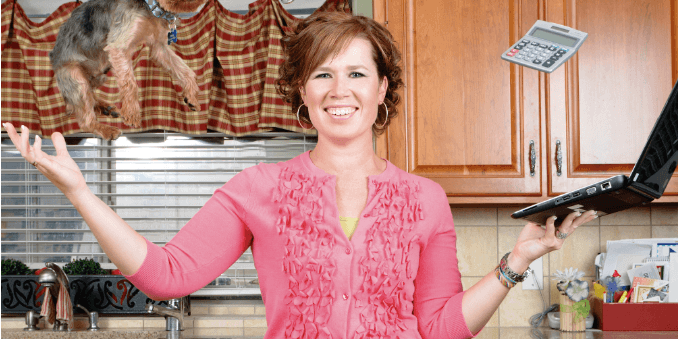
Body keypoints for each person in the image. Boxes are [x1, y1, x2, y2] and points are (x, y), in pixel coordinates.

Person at [2, 11, 597, 339]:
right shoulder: (255, 189)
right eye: (323, 76)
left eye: (359, 75)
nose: (341, 91)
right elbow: (165, 274)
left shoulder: (426, 199)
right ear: (302, 95)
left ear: (382, 88)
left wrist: (517, 260)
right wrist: (80, 190)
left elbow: (440, 328)